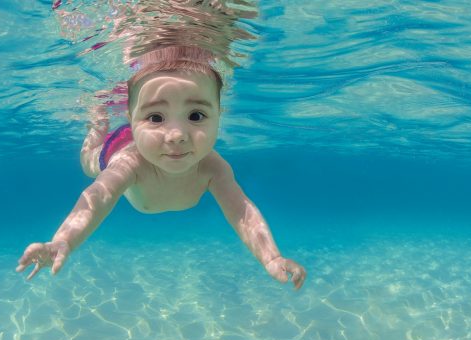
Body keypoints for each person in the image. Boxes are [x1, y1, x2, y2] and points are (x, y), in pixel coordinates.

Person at [16, 46, 306, 290]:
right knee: (89, 163)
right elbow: (98, 198)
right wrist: (62, 240)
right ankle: (99, 122)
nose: (177, 134)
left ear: (220, 115)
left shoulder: (213, 167)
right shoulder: (129, 165)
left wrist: (271, 258)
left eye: (196, 115)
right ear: (131, 119)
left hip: (144, 139)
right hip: (118, 149)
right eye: (156, 116)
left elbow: (242, 212)